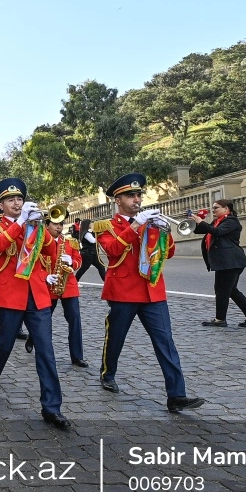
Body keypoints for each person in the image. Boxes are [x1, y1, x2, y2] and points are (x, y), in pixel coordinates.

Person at [96, 173, 206, 412]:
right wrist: (136, 225)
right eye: (130, 196)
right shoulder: (106, 226)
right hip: (123, 292)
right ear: (118, 200)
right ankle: (108, 373)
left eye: (138, 195)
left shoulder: (151, 221)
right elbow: (113, 251)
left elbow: (168, 254)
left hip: (152, 291)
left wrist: (165, 232)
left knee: (166, 343)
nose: (136, 199)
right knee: (116, 338)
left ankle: (176, 395)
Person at [0, 179, 71, 429]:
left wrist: (41, 227)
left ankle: (52, 407)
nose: (17, 203)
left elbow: (51, 253)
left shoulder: (35, 225)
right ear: (1, 204)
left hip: (37, 293)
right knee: (5, 343)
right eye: (11, 200)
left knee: (46, 350)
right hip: (9, 295)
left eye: (19, 199)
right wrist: (20, 224)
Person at [192, 199, 246, 328]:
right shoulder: (217, 221)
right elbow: (200, 231)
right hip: (225, 262)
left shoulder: (231, 221)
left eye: (216, 208)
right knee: (231, 290)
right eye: (213, 208)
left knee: (221, 291)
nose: (213, 210)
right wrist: (197, 221)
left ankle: (220, 319)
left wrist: (201, 222)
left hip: (231, 261)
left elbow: (217, 232)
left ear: (226, 209)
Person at [43, 215, 87, 367]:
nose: (59, 227)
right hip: (50, 285)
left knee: (74, 320)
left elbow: (78, 260)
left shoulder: (70, 242)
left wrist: (72, 262)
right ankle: (39, 345)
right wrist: (45, 276)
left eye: (61, 224)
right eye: (55, 224)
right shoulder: (41, 243)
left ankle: (77, 356)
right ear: (47, 225)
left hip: (68, 285)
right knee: (44, 320)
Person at [74, 217, 106, 281]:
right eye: (90, 223)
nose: (91, 224)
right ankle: (75, 281)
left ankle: (106, 281)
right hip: (88, 254)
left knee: (101, 267)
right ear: (87, 224)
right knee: (84, 268)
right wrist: (99, 236)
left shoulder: (87, 232)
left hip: (92, 254)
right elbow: (93, 241)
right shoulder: (87, 233)